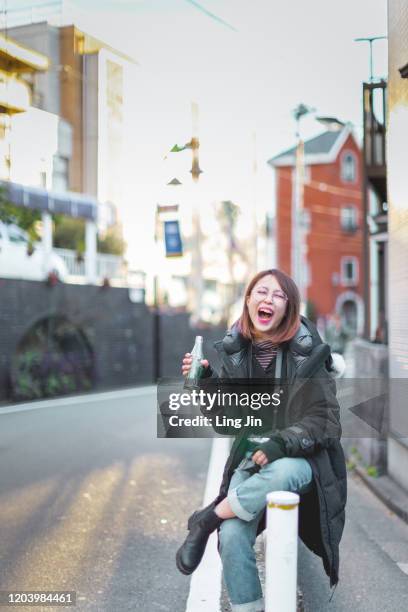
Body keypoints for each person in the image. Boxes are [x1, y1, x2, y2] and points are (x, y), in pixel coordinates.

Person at [175, 269, 347, 612]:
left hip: (302, 460)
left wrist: (281, 443)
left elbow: (325, 420)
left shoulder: (309, 353)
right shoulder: (236, 352)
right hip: (251, 459)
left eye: (277, 295)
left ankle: (208, 518)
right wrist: (207, 381)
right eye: (260, 292)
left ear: (289, 308)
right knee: (233, 536)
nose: (267, 299)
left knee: (282, 473)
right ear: (249, 300)